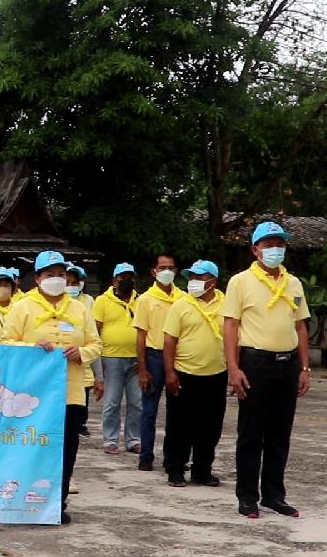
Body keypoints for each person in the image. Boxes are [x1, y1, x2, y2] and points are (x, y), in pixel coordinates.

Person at [1, 251, 102, 525]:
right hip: (32, 392)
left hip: (70, 391)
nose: (56, 279)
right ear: (37, 279)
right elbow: (5, 343)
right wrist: (31, 348)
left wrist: (81, 352)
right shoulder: (22, 307)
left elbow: (96, 344)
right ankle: (22, 500)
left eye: (60, 274)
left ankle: (57, 502)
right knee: (31, 444)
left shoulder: (80, 309)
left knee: (66, 447)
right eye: (49, 274)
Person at [221, 222, 310, 519]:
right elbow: (231, 325)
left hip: (288, 364)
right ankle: (247, 496)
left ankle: (274, 495)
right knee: (251, 433)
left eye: (280, 244)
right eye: (269, 245)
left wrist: (304, 367)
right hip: (255, 363)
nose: (275, 250)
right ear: (255, 249)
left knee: (279, 434)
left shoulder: (293, 283)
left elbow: (301, 325)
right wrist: (233, 368)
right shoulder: (240, 282)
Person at [163, 260, 227, 488]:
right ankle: (175, 469)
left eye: (199, 277)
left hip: (216, 374)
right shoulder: (180, 305)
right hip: (185, 372)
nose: (193, 281)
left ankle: (202, 470)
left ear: (213, 281)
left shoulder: (226, 304)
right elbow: (169, 341)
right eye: (191, 277)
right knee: (179, 425)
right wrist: (169, 372)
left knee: (210, 426)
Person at [132, 254, 184, 471]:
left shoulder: (183, 297)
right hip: (154, 356)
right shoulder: (145, 299)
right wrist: (142, 368)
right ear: (154, 271)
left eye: (171, 267)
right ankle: (146, 456)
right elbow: (140, 336)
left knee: (177, 411)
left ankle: (172, 457)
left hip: (178, 357)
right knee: (149, 410)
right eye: (162, 267)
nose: (167, 271)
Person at [93, 262, 141, 455]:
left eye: (130, 278)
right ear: (114, 281)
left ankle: (134, 440)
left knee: (137, 402)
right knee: (112, 402)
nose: (126, 281)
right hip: (111, 358)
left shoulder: (141, 300)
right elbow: (95, 331)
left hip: (136, 359)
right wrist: (98, 361)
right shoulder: (102, 301)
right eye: (122, 278)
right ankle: (110, 440)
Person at [67, 265, 100, 439]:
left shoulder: (87, 302)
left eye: (75, 282)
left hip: (80, 357)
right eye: (68, 282)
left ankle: (80, 423)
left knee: (81, 394)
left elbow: (94, 339)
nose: (71, 286)